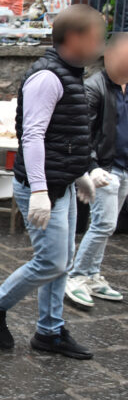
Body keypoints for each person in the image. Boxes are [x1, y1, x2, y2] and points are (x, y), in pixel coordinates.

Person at [0, 4, 105, 360]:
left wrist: (81, 173)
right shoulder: (48, 76)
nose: (101, 44)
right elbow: (31, 136)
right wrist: (41, 191)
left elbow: (67, 135)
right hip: (43, 187)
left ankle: (49, 331)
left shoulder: (71, 73)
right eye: (97, 37)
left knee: (63, 258)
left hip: (61, 183)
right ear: (75, 38)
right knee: (52, 262)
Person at [65, 33, 128, 307]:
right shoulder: (93, 87)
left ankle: (92, 274)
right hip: (105, 168)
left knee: (106, 227)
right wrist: (92, 168)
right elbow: (83, 134)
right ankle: (77, 276)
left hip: (124, 167)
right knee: (103, 224)